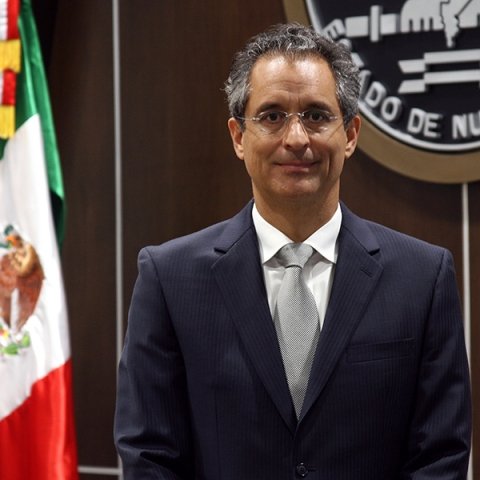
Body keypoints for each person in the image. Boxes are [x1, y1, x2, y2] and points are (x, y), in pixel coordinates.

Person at [114, 23, 471, 479]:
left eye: (317, 115)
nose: (297, 138)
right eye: (272, 116)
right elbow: (149, 456)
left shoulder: (422, 278)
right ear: (238, 136)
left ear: (351, 134)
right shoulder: (169, 279)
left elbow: (439, 457)